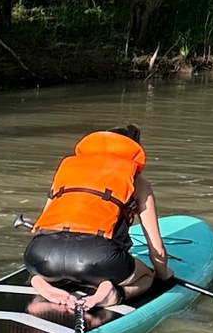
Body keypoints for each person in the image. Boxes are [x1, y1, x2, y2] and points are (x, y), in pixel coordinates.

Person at [22, 124, 172, 319]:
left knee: (52, 267)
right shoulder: (137, 182)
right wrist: (162, 274)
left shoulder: (67, 169)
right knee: (145, 276)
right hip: (95, 259)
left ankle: (39, 281)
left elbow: (46, 219)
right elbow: (156, 249)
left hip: (41, 254)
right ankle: (110, 293)